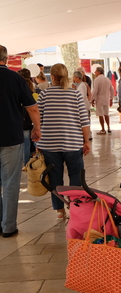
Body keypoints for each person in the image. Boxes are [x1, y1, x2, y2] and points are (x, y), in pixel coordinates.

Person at [37, 63, 91, 220]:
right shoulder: (75, 95)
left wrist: (38, 141)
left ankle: (60, 211)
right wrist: (86, 141)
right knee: (75, 177)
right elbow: (84, 121)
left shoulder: (44, 95)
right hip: (73, 144)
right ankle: (75, 207)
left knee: (55, 178)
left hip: (50, 145)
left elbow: (38, 120)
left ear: (52, 77)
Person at [0, 45, 41, 238]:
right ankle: (8, 226)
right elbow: (32, 108)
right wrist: (37, 128)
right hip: (11, 137)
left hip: (11, 138)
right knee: (10, 183)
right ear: (6, 59)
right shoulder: (16, 79)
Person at [17, 69, 38, 167]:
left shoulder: (19, 89)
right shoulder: (34, 90)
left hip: (23, 121)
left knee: (25, 143)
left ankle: (26, 163)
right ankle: (36, 160)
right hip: (32, 120)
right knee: (34, 142)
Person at [92, 66, 114, 135]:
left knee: (100, 114)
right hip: (106, 99)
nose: (95, 72)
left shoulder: (97, 80)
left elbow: (95, 90)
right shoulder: (107, 79)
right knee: (106, 114)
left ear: (99, 72)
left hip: (99, 99)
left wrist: (92, 99)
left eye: (96, 71)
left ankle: (103, 129)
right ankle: (109, 127)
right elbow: (112, 89)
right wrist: (111, 98)